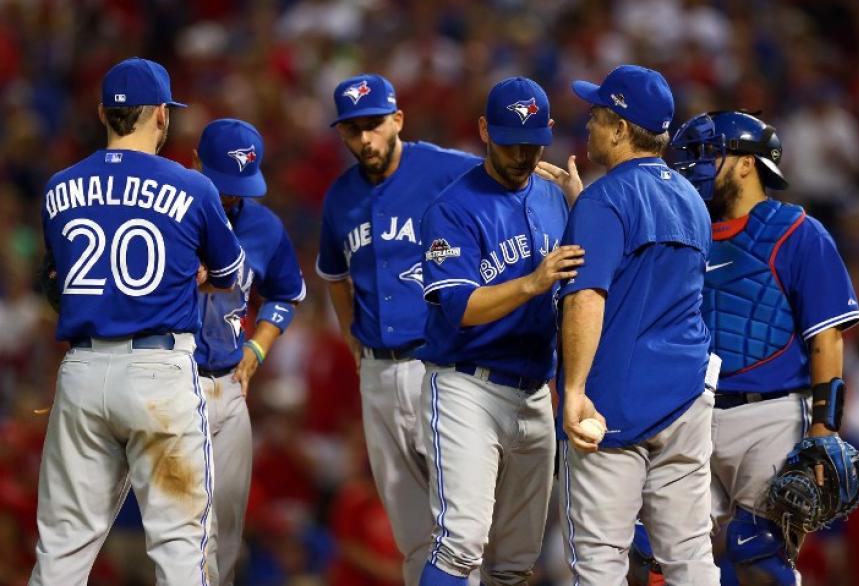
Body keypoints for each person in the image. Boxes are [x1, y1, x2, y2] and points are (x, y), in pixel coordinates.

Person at [31, 57, 244, 586]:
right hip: (158, 374)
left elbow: (54, 282)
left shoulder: (59, 188)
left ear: (104, 112)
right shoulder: (193, 187)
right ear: (161, 116)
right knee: (180, 547)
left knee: (61, 547)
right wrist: (189, 273)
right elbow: (231, 274)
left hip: (81, 371)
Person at [670, 110, 859, 585]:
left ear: (745, 163)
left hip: (770, 416)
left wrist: (824, 428)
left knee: (757, 557)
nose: (695, 166)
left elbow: (827, 337)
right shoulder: (682, 231)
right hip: (689, 411)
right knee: (651, 551)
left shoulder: (798, 233)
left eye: (708, 154)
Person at [555, 65, 721, 586]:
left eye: (598, 116)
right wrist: (585, 207)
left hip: (615, 403)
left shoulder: (605, 200)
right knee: (690, 555)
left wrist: (575, 388)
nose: (589, 125)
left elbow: (587, 297)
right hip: (687, 396)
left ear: (622, 128)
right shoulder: (693, 202)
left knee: (600, 561)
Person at [416, 76, 583, 586]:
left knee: (514, 562)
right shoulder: (453, 207)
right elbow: (458, 307)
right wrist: (532, 283)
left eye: (533, 143)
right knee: (461, 542)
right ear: (485, 129)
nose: (522, 155)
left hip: (535, 393)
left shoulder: (556, 196)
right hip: (469, 385)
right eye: (510, 142)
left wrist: (584, 208)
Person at [317, 73, 480, 586]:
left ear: (397, 120)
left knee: (459, 530)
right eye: (352, 130)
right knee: (410, 533)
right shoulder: (339, 197)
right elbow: (333, 276)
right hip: (378, 375)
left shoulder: (447, 169)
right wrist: (352, 340)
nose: (364, 139)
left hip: (442, 369)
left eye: (374, 125)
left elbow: (516, 192)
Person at [192, 118, 307, 585]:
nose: (230, 197)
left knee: (227, 528)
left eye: (238, 187)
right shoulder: (168, 213)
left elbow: (287, 293)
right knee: (184, 528)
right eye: (223, 185)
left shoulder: (262, 225)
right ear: (195, 164)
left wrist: (258, 349)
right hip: (169, 381)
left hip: (228, 384)